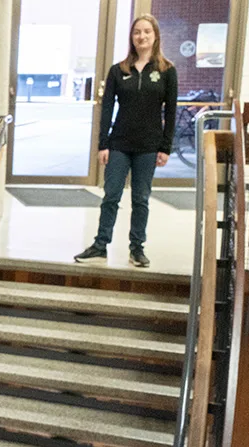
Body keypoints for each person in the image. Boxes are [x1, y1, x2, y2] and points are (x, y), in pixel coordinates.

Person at [74, 14, 177, 268]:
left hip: (148, 146)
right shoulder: (118, 71)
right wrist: (103, 143)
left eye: (146, 32)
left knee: (141, 198)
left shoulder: (167, 71)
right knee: (111, 195)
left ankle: (137, 248)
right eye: (136, 32)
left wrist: (165, 147)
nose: (141, 36)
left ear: (155, 36)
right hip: (119, 144)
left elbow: (171, 112)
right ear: (132, 38)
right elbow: (107, 109)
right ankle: (100, 245)